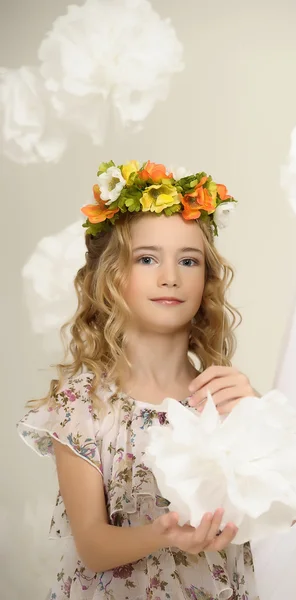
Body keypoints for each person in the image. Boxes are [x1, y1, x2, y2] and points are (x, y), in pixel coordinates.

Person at [17, 160, 260, 600]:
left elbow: (286, 512)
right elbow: (92, 544)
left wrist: (258, 421)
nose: (170, 276)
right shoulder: (84, 404)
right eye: (147, 259)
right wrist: (165, 534)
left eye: (189, 260)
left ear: (206, 280)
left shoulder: (222, 398)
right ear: (111, 278)